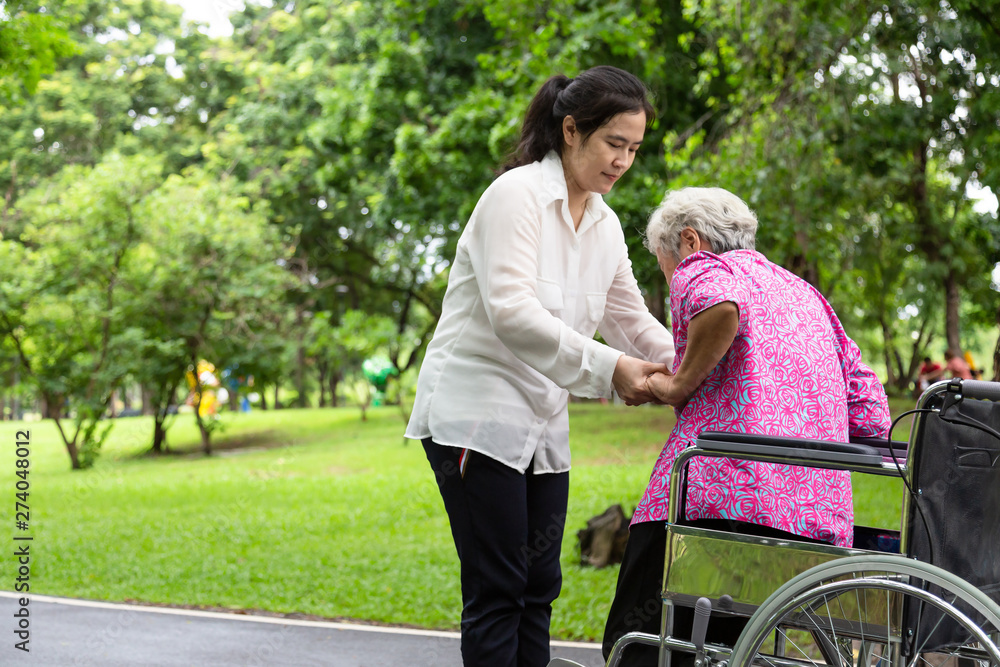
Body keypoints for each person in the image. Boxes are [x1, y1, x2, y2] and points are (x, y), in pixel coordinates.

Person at [405, 66, 676, 667]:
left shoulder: (604, 225)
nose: (622, 162)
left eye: (633, 148)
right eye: (613, 144)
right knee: (499, 587)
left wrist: (695, 369)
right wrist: (613, 371)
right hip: (476, 419)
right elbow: (512, 313)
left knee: (538, 586)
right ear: (571, 130)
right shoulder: (516, 196)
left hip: (541, 427)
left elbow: (633, 321)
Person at [602, 187, 891, 666]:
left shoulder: (705, 268)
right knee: (733, 648)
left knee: (635, 640)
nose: (672, 279)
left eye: (664, 264)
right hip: (813, 526)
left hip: (716, 509)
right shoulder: (806, 294)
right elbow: (871, 413)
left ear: (689, 241)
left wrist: (679, 384)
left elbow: (719, 306)